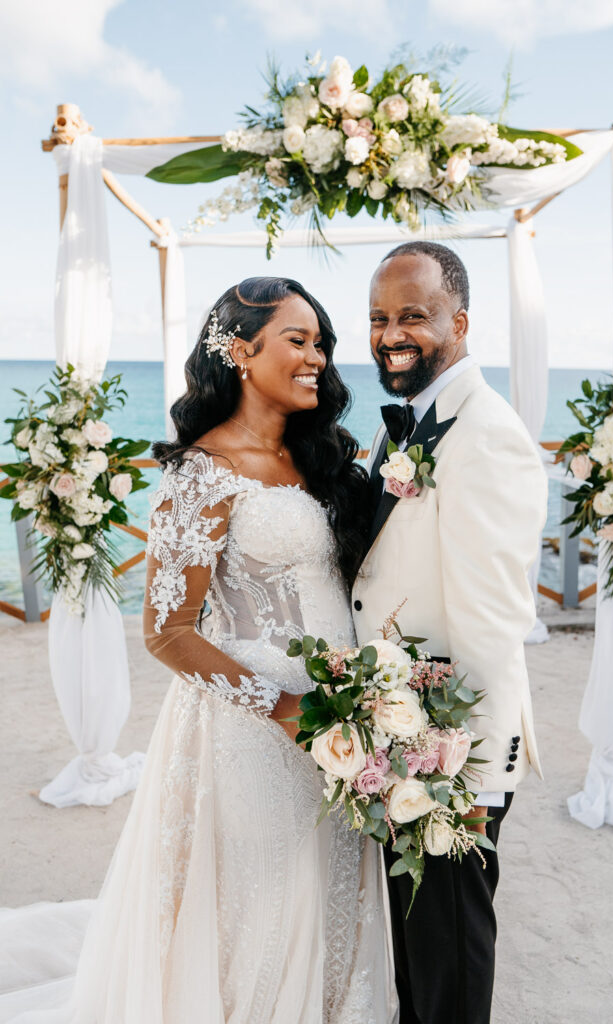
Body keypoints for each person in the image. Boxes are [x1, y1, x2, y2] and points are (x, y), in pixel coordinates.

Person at [0, 277, 396, 1024]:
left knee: (332, 888)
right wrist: (288, 711)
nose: (318, 358)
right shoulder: (202, 472)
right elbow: (166, 630)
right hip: (253, 729)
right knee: (264, 905)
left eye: (321, 343)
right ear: (241, 351)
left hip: (345, 718)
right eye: (298, 340)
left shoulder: (318, 459)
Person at [352, 242, 547, 1024]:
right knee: (417, 952)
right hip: (399, 737)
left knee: (451, 958)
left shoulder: (485, 434)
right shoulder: (411, 422)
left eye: (412, 316)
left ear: (458, 322)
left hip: (450, 759)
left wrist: (466, 779)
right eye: (377, 318)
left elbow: (494, 621)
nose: (390, 333)